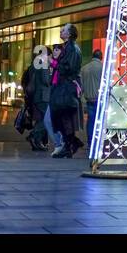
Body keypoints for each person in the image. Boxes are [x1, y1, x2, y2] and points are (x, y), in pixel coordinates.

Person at [50, 25, 84, 158]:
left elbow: (68, 68)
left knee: (63, 115)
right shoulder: (69, 48)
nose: (61, 31)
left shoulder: (72, 49)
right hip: (64, 87)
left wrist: (54, 63)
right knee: (62, 116)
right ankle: (70, 143)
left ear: (69, 34)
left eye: (63, 30)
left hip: (66, 88)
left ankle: (70, 143)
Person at [21, 46, 51, 152]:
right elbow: (46, 80)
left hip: (35, 96)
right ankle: (34, 135)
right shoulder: (43, 64)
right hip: (43, 96)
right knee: (48, 119)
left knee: (42, 119)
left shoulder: (34, 64)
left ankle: (37, 141)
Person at [81, 48, 103, 140]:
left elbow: (81, 85)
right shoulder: (103, 68)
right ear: (101, 57)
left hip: (88, 98)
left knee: (90, 121)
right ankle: (98, 141)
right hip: (99, 98)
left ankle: (90, 141)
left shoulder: (84, 68)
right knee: (100, 121)